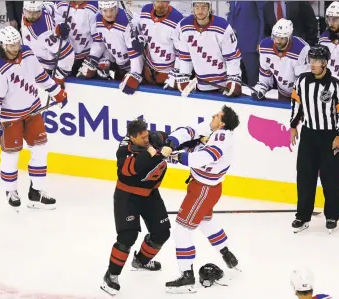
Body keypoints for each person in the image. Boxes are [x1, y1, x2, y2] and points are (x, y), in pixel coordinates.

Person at [0, 26, 68, 210]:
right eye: (11, 44)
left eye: (17, 43)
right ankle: (11, 191)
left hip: (33, 111)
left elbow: (40, 76)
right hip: (10, 118)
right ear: (2, 45)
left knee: (40, 149)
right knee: (11, 154)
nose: (15, 47)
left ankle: (36, 191)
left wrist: (56, 91)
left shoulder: (28, 53)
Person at [160, 105, 240, 293]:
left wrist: (176, 156)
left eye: (217, 115)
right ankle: (226, 252)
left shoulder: (221, 137)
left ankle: (187, 277)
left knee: (181, 228)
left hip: (203, 190)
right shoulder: (215, 130)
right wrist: (171, 143)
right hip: (209, 188)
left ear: (223, 122)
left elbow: (204, 157)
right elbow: (189, 131)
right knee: (205, 221)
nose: (213, 116)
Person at [100, 120, 171, 296]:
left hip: (150, 194)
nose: (147, 139)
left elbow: (173, 137)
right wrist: (156, 152)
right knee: (127, 236)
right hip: (128, 196)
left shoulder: (153, 138)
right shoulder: (124, 152)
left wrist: (172, 143)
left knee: (162, 232)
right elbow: (137, 167)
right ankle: (111, 275)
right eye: (142, 137)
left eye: (147, 135)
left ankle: (141, 261)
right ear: (132, 138)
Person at [290, 44, 339, 234]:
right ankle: (302, 215)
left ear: (325, 63)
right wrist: (293, 125)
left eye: (317, 61)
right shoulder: (301, 81)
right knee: (304, 176)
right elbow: (296, 103)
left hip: (329, 136)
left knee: (331, 178)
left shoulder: (336, 84)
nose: (313, 65)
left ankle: (332, 215)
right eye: (311, 61)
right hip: (309, 135)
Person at [169, 0, 242, 97]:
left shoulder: (222, 26)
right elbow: (185, 56)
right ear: (193, 8)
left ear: (209, 8)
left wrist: (233, 78)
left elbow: (232, 58)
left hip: (223, 86)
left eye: (203, 7)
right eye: (197, 7)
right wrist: (184, 76)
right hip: (201, 85)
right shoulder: (184, 26)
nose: (200, 10)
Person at [77, 1, 144, 95]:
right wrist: (94, 59)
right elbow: (100, 42)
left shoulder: (128, 22)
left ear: (116, 7)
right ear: (100, 9)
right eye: (105, 10)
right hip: (119, 66)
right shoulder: (97, 19)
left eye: (111, 10)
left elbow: (136, 53)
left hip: (137, 67)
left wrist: (135, 74)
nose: (109, 14)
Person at [21, 1, 75, 88]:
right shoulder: (42, 8)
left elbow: (67, 52)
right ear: (24, 10)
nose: (32, 16)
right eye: (29, 12)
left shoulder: (43, 32)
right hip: (32, 62)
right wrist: (58, 24)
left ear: (40, 10)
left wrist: (59, 76)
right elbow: (51, 6)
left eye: (35, 12)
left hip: (45, 69)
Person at [255, 18, 310, 102]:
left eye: (282, 38)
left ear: (289, 37)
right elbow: (265, 73)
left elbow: (303, 79)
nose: (277, 41)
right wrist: (261, 88)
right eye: (275, 37)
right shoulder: (264, 46)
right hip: (282, 93)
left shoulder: (301, 49)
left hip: (301, 95)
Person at [138, 1, 183, 86]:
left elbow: (181, 51)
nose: (161, 5)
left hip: (168, 74)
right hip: (148, 70)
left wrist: (176, 71)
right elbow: (144, 33)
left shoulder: (177, 19)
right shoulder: (145, 10)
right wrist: (141, 39)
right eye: (158, 1)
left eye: (164, 1)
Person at [227, 1, 265, 86]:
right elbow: (231, 15)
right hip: (234, 45)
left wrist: (261, 40)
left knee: (253, 80)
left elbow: (263, 18)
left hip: (251, 44)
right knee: (238, 79)